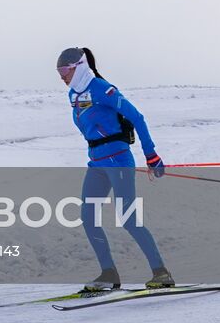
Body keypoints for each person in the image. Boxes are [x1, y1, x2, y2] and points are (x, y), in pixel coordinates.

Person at [57, 46, 174, 292]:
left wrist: (151, 155)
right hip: (97, 163)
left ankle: (161, 272)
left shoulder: (102, 88)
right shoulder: (73, 95)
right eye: (59, 71)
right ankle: (108, 272)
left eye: (65, 70)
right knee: (88, 217)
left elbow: (138, 117)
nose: (62, 76)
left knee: (128, 218)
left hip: (119, 160)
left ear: (78, 67)